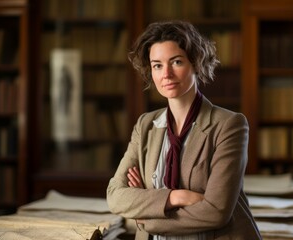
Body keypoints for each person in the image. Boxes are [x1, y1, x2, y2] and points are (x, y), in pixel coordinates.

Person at [106, 20, 262, 240]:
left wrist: (146, 214)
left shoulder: (229, 125)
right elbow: (115, 196)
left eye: (176, 62)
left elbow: (216, 212)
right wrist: (176, 197)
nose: (166, 74)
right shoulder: (145, 125)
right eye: (157, 65)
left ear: (196, 63)